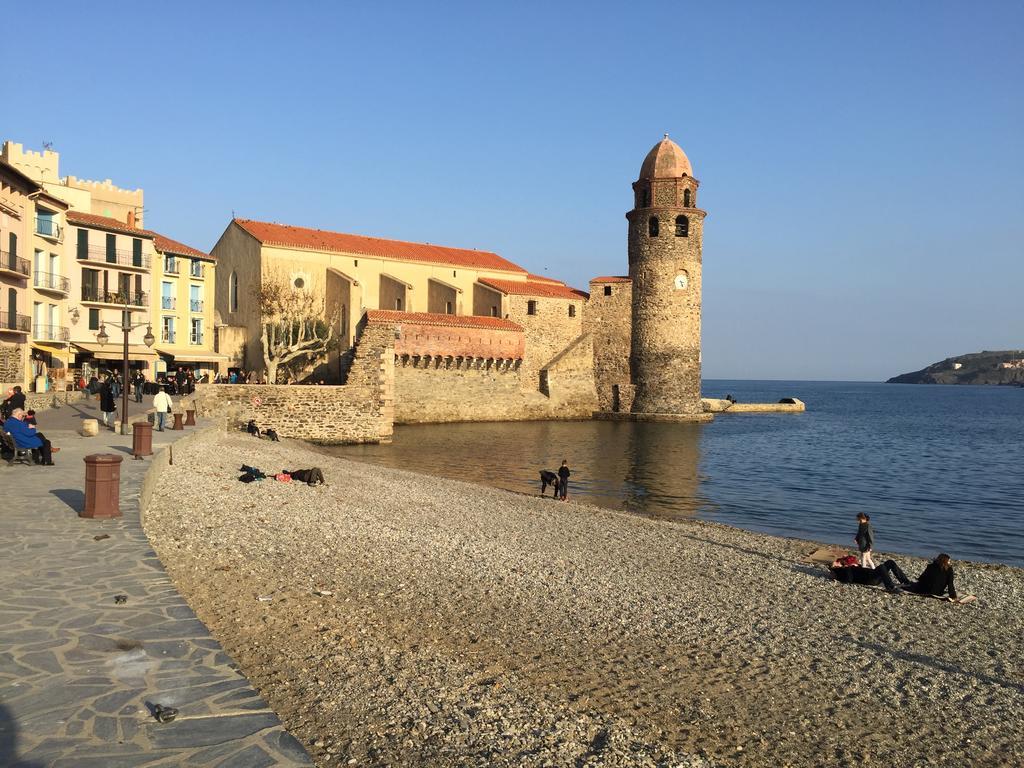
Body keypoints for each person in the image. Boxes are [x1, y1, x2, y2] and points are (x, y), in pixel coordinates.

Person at [830, 555, 911, 594]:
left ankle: (906, 582)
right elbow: (848, 580)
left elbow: (859, 569)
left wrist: (855, 566)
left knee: (890, 562)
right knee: (881, 567)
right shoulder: (842, 571)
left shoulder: (849, 567)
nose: (836, 562)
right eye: (836, 562)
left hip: (873, 574)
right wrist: (845, 569)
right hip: (870, 579)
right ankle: (891, 587)